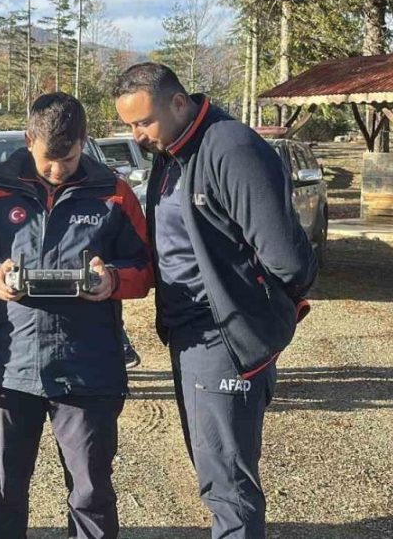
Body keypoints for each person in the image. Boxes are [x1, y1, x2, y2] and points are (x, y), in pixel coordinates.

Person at [113, 63, 317, 539]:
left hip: (222, 334)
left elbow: (287, 257)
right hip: (189, 333)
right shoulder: (173, 150)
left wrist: (265, 311)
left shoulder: (230, 148)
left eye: (143, 122)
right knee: (214, 473)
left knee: (228, 482)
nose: (137, 136)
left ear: (178, 103)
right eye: (128, 126)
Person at [0, 92, 152, 538]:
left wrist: (113, 280)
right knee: (4, 488)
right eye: (46, 160)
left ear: (84, 140)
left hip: (88, 370)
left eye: (69, 158)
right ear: (28, 140)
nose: (57, 170)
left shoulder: (114, 194)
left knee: (91, 491)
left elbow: (149, 267)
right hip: (9, 366)